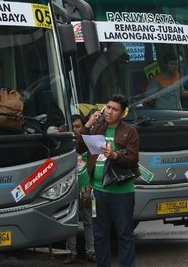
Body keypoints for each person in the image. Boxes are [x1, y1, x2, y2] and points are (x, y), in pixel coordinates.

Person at [76, 94, 140, 267]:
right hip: (98, 192)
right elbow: (79, 147)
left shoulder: (130, 131)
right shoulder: (97, 128)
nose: (110, 112)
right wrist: (87, 125)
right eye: (108, 107)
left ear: (122, 113)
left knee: (124, 235)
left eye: (115, 109)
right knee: (100, 235)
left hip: (121, 192)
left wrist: (115, 155)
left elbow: (133, 159)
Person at [63, 115, 96, 264]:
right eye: (73, 127)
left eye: (78, 126)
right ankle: (71, 253)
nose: (75, 130)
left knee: (89, 221)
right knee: (70, 221)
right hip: (68, 189)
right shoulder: (65, 144)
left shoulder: (89, 141)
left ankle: (91, 252)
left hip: (86, 188)